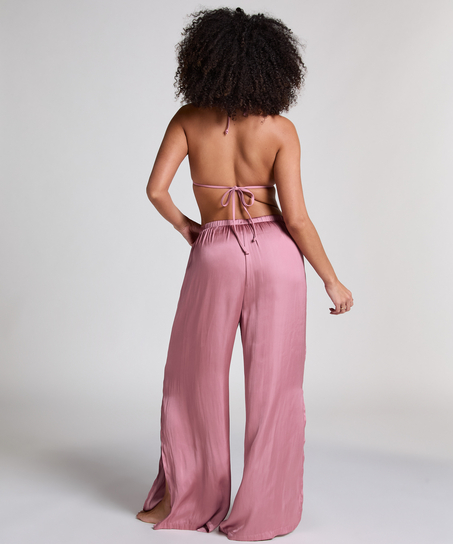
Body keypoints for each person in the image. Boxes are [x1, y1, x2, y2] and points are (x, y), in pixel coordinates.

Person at [136, 6, 353, 541]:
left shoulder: (188, 119)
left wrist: (189, 227)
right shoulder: (280, 129)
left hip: (215, 254)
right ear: (273, 67)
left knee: (193, 379)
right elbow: (296, 219)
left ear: (205, 61)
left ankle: (186, 502)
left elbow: (156, 190)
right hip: (277, 258)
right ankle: (263, 515)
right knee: (277, 387)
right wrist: (331, 278)